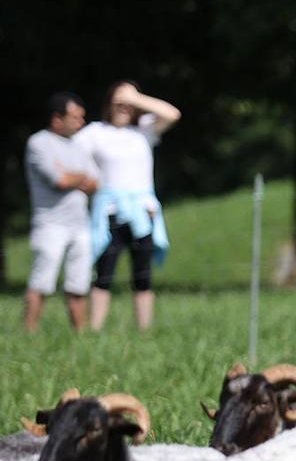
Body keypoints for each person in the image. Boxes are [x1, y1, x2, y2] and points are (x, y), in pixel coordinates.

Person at [75, 80, 180, 331]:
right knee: (104, 272)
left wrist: (135, 97)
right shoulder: (95, 133)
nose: (123, 108)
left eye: (128, 104)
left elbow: (173, 114)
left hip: (143, 211)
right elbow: (71, 154)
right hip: (110, 211)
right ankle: (95, 328)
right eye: (118, 103)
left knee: (142, 274)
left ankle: (144, 330)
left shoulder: (144, 131)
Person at [23, 92, 97, 332]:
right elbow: (60, 181)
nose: (81, 122)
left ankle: (80, 334)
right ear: (57, 119)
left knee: (79, 283)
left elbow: (96, 182)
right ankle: (30, 331)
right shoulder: (38, 143)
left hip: (80, 225)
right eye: (75, 117)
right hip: (50, 224)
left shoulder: (78, 145)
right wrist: (76, 177)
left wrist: (71, 175)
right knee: (42, 281)